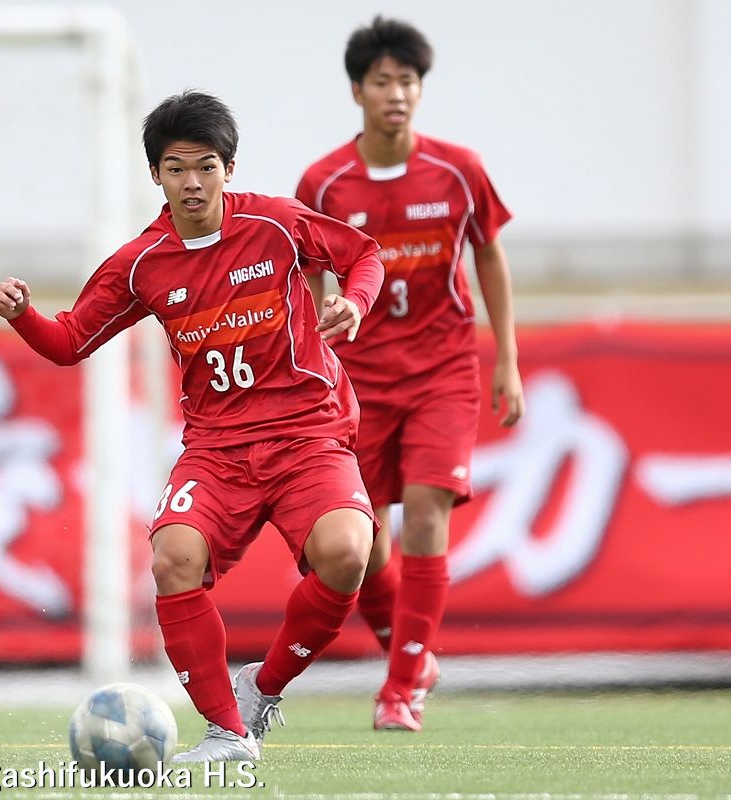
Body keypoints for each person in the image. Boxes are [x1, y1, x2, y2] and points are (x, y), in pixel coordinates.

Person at [0, 91, 385, 761]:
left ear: (228, 168)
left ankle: (263, 690)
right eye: (177, 168)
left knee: (348, 553)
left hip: (307, 434)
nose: (193, 182)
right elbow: (69, 341)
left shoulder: (276, 224)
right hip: (217, 448)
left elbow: (363, 253)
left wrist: (353, 301)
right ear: (156, 176)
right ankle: (227, 732)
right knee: (173, 558)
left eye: (206, 166)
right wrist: (25, 315)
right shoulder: (142, 263)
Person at [296, 16, 526, 732]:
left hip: (443, 369)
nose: (397, 93)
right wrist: (316, 336)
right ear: (357, 91)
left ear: (421, 91)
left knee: (428, 514)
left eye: (409, 81)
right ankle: (410, 652)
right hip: (355, 381)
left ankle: (400, 691)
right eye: (383, 81)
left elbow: (488, 254)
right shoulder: (324, 181)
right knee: (362, 546)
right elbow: (305, 273)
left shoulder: (459, 170)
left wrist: (508, 360)